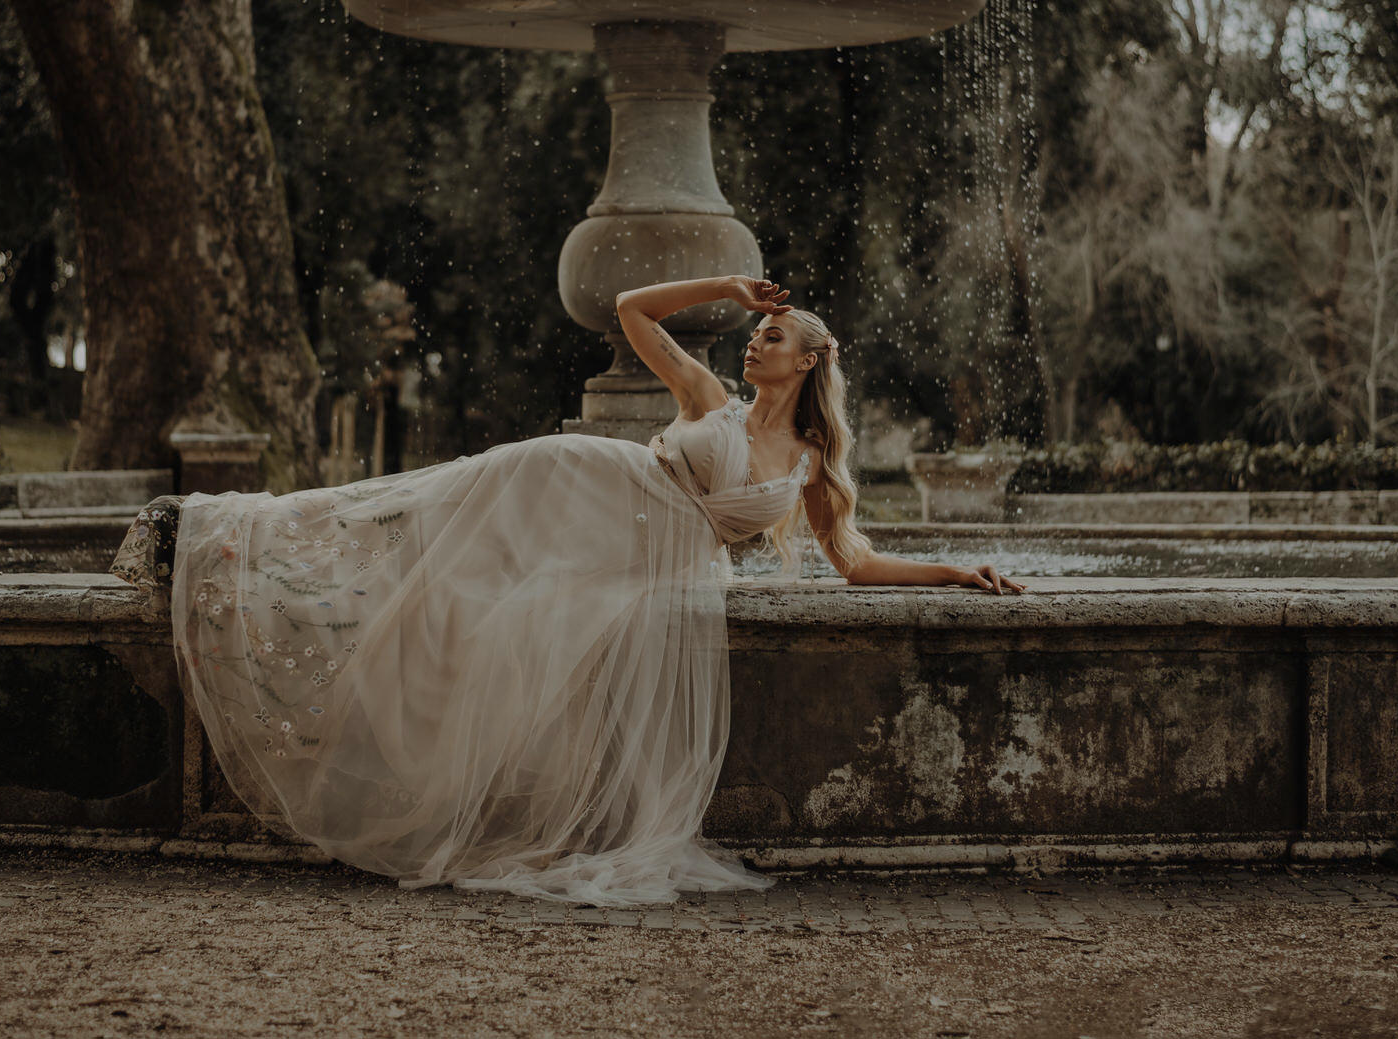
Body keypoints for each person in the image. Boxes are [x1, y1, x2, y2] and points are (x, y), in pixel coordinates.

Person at [112, 273, 1024, 905]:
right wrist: (725, 288)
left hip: (634, 556)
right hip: (574, 478)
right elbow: (629, 310)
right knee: (406, 523)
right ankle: (208, 535)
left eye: (772, 334)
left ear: (811, 361)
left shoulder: (813, 468)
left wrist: (955, 570)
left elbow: (855, 564)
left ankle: (435, 763)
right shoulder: (707, 397)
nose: (756, 342)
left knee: (481, 616)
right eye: (756, 331)